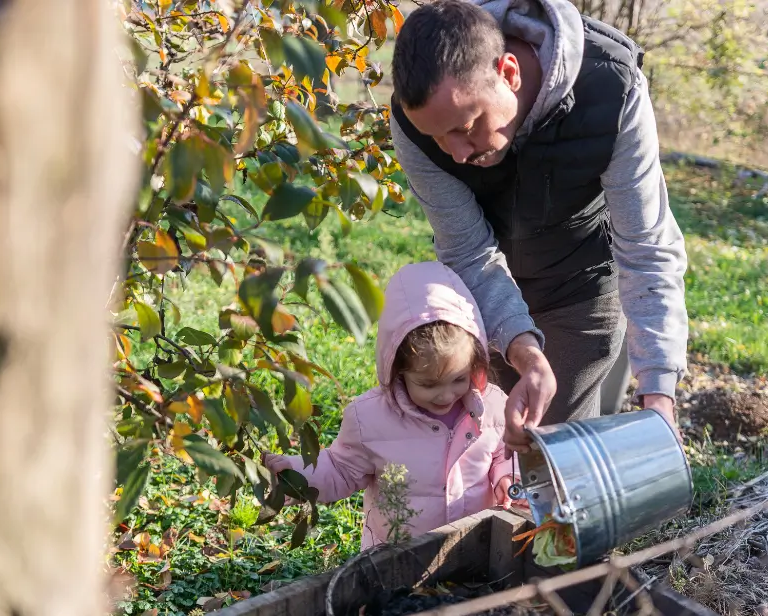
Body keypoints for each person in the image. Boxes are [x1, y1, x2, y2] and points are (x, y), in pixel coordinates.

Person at [389, 0, 689, 453]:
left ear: (509, 72)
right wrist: (523, 350)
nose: (456, 154)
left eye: (468, 127)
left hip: (579, 286)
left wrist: (659, 393)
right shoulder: (413, 123)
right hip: (483, 294)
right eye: (438, 138)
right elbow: (469, 252)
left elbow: (646, 247)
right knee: (481, 450)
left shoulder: (611, 86)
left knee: (549, 456)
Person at [263, 261, 521, 550]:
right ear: (397, 370)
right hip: (395, 555)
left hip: (471, 547)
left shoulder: (493, 406)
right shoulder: (371, 419)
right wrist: (295, 476)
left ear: (475, 365)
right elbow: (340, 469)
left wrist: (507, 478)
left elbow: (504, 453)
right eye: (428, 384)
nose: (446, 395)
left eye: (458, 379)